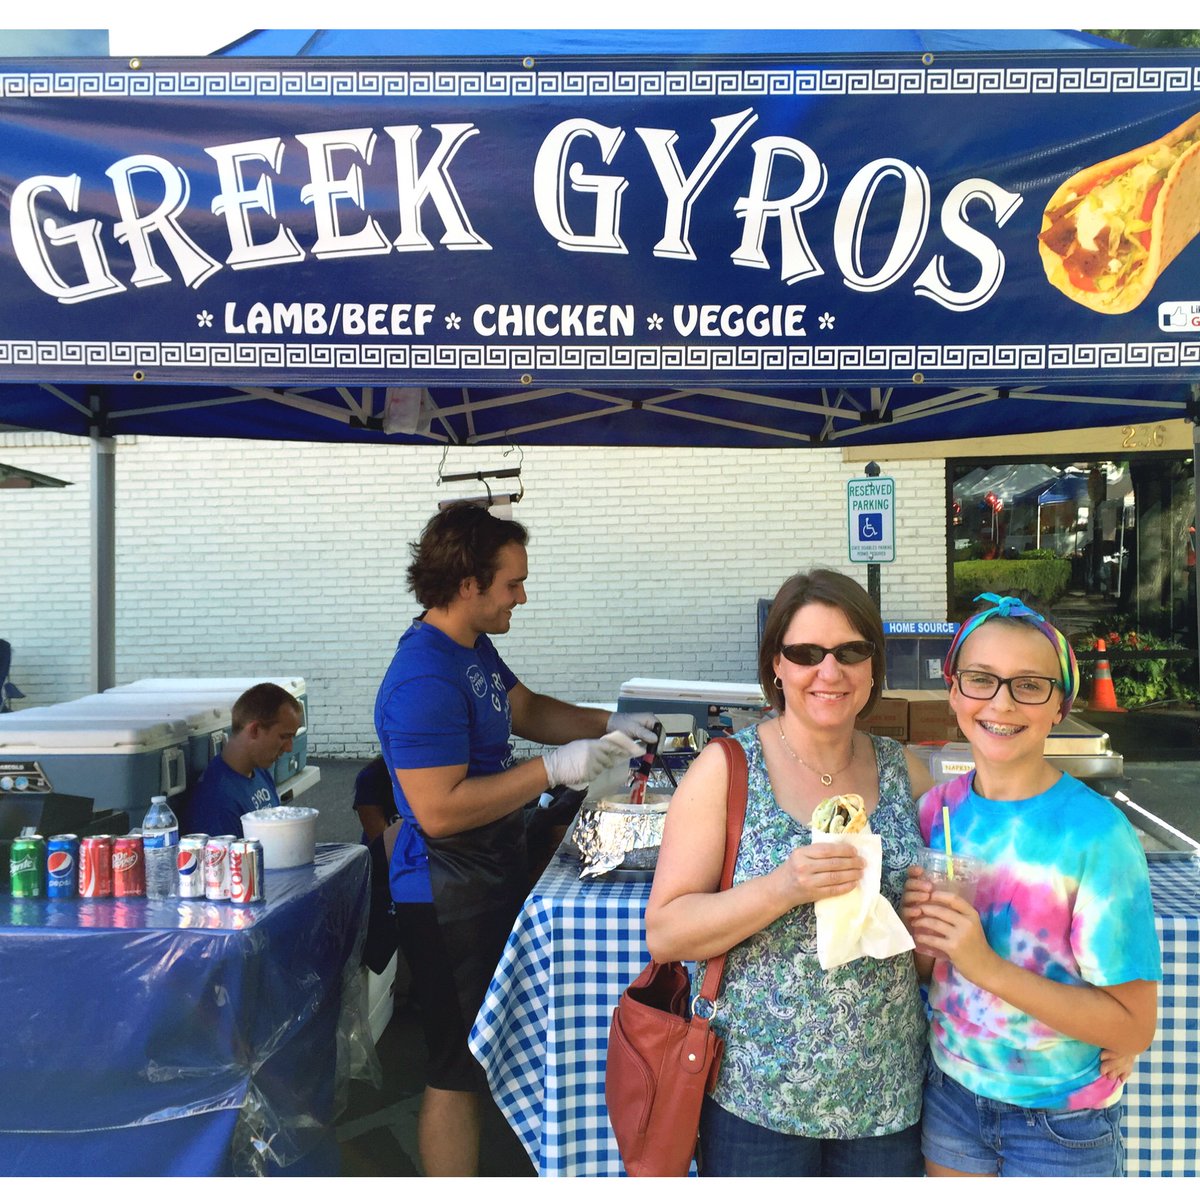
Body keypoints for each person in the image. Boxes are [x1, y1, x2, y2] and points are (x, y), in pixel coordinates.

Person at [375, 501, 655, 1177]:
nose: (522, 596)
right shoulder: (422, 676)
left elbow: (525, 708)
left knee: (483, 1051)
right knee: (455, 1069)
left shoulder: (470, 648)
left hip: (485, 871)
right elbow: (438, 811)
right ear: (468, 583)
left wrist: (615, 723)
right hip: (440, 893)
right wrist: (552, 769)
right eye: (512, 584)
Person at [644, 568, 936, 1177]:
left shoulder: (907, 772)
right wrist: (783, 887)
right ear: (775, 664)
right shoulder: (727, 769)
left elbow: (923, 956)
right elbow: (667, 932)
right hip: (757, 1097)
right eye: (805, 653)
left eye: (851, 651)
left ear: (874, 665)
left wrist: (932, 925)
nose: (828, 672)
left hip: (887, 1093)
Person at [902, 594, 1161, 1178]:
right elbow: (927, 971)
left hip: (1060, 1122)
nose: (1001, 702)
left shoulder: (1096, 835)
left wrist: (983, 963)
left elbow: (1132, 1026)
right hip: (951, 1098)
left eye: (1029, 685)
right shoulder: (935, 814)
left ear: (1059, 705)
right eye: (980, 679)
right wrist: (924, 940)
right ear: (954, 691)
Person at [184, 682, 303, 837]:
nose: (289, 748)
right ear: (254, 730)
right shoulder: (217, 801)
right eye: (284, 737)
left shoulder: (259, 771)